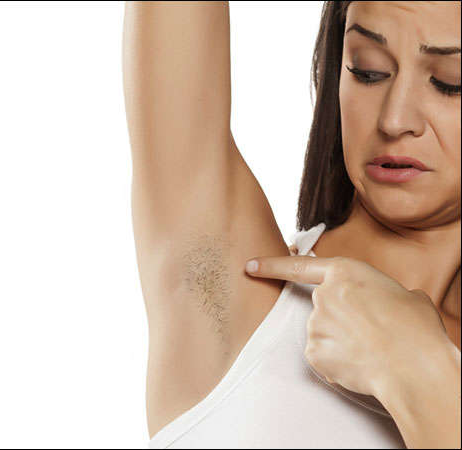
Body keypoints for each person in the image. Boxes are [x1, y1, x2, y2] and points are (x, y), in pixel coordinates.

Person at [122, 1, 460, 448]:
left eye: (450, 82)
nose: (394, 120)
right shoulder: (242, 293)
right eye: (368, 71)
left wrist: (422, 376)